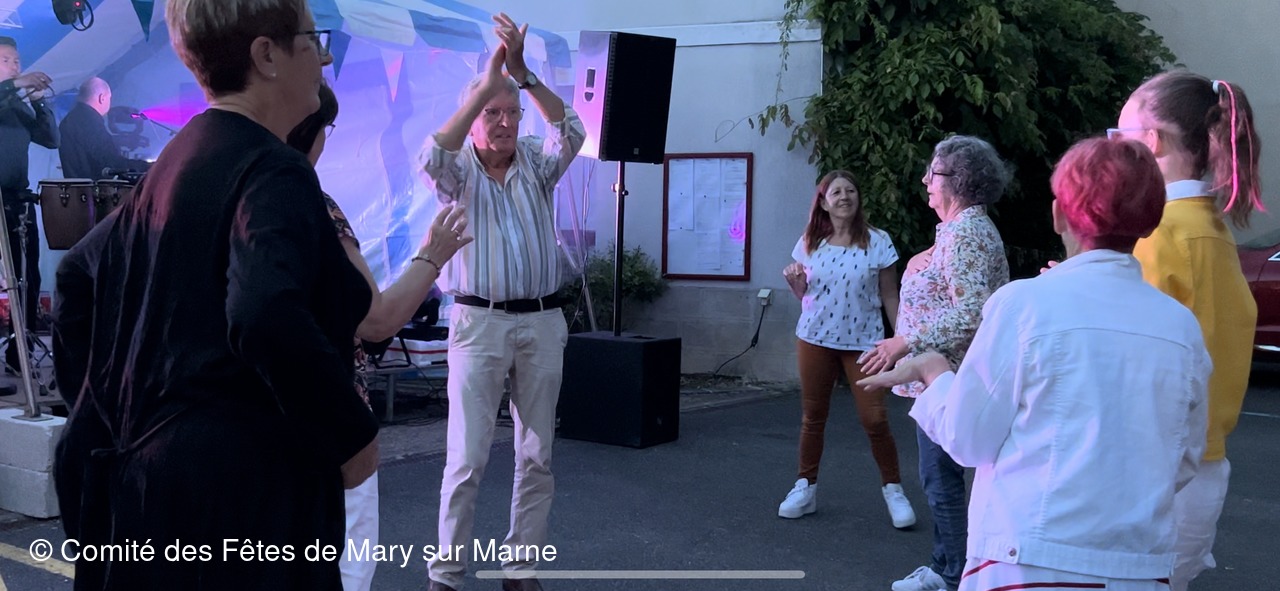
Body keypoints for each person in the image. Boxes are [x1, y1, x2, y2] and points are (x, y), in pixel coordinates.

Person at [50, 1, 384, 588]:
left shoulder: (176, 160)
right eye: (314, 39)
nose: (325, 57)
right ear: (267, 55)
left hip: (153, 499)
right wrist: (351, 436)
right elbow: (264, 312)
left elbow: (76, 277)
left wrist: (114, 409)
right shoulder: (273, 169)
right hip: (243, 507)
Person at [858, 136, 1211, 591]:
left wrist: (933, 371)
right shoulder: (1181, 327)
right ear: (1151, 219)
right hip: (1138, 567)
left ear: (1059, 214)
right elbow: (1184, 458)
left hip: (1026, 562)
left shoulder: (1023, 305)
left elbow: (967, 438)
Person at [416, 12, 585, 591]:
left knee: (537, 455)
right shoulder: (458, 172)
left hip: (541, 319)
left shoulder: (536, 162)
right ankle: (447, 574)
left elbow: (573, 131)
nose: (507, 122)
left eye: (512, 112)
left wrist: (522, 75)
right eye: (494, 113)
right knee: (467, 459)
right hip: (478, 320)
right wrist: (485, 86)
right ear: (474, 120)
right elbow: (431, 157)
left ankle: (520, 569)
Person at [284, 81, 472, 591]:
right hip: (327, 422)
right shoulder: (311, 205)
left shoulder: (218, 189)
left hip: (247, 429)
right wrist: (432, 255)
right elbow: (377, 320)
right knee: (346, 567)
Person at [1108, 70, 1261, 591]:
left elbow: (1126, 357)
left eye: (1120, 134)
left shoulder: (1158, 234)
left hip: (1157, 472)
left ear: (1150, 141)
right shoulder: (1210, 228)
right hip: (1202, 465)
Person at [859, 135, 1011, 591]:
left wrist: (904, 342)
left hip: (949, 379)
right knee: (939, 477)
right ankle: (952, 567)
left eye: (934, 172)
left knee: (940, 479)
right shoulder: (958, 230)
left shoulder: (965, 233)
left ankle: (952, 573)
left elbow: (972, 311)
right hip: (943, 377)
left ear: (959, 181)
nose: (925, 179)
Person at [778, 170, 916, 529]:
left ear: (858, 198)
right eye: (836, 192)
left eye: (850, 190)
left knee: (875, 419)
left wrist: (902, 340)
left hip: (864, 343)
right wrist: (795, 283)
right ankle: (805, 487)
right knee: (813, 417)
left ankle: (893, 489)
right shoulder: (810, 241)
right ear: (824, 203)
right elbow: (805, 295)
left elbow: (890, 294)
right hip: (814, 338)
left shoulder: (878, 241)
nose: (844, 197)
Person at [0, 35, 57, 372]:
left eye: (17, 61)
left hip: (16, 198)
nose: (15, 66)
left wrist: (38, 102)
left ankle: (18, 347)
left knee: (26, 274)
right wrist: (17, 84)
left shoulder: (17, 105)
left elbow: (51, 139)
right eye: (6, 60)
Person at [58, 77, 152, 180]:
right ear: (102, 98)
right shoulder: (90, 121)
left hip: (76, 187)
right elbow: (111, 161)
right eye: (109, 98)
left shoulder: (69, 120)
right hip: (95, 187)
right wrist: (148, 167)